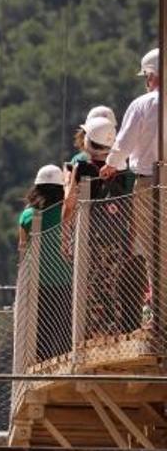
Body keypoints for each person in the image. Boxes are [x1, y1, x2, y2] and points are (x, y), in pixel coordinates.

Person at [67, 117, 141, 337]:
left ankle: (97, 335)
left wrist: (66, 232)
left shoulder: (82, 167)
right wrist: (130, 237)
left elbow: (70, 201)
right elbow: (132, 205)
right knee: (112, 285)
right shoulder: (123, 170)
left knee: (93, 288)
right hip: (116, 236)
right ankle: (114, 331)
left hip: (91, 237)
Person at [101, 47, 159, 319]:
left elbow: (123, 144)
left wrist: (110, 166)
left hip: (149, 183)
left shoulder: (143, 104)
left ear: (152, 75)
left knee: (153, 248)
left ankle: (160, 311)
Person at [18, 165, 71, 362]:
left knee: (41, 325)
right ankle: (63, 360)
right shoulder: (65, 212)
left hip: (37, 279)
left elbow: (22, 247)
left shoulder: (27, 215)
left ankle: (41, 361)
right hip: (64, 276)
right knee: (63, 325)